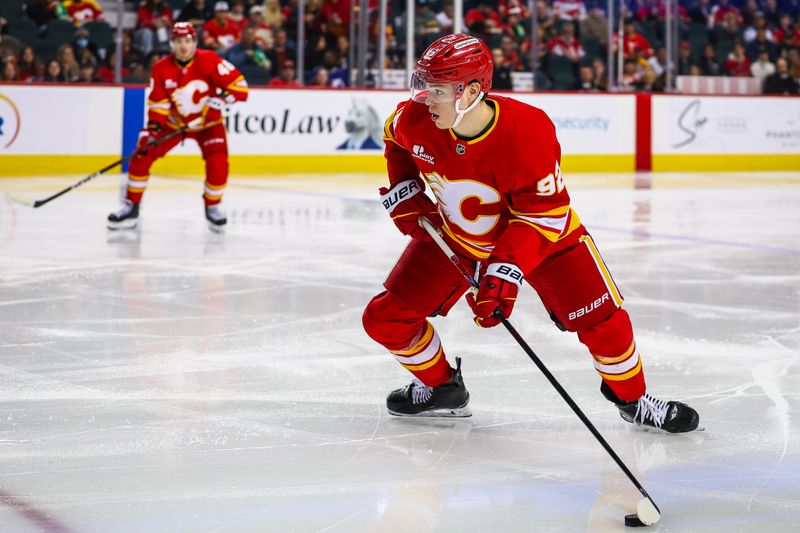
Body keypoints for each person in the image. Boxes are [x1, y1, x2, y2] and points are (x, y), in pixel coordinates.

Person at [362, 33, 700, 433]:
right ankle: (443, 390)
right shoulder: (415, 118)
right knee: (385, 318)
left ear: (471, 91)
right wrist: (405, 190)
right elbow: (394, 141)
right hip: (457, 237)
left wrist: (503, 273)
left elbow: (543, 215)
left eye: (435, 90)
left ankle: (634, 400)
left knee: (606, 325)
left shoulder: (528, 130)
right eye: (423, 86)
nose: (424, 99)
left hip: (545, 240)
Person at [106, 22, 249, 232]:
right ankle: (131, 206)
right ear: (172, 43)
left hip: (208, 125)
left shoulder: (210, 60)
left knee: (218, 162)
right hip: (173, 124)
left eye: (188, 41)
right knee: (142, 154)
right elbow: (158, 103)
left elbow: (241, 88)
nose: (183, 46)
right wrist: (153, 130)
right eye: (179, 41)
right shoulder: (161, 68)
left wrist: (220, 100)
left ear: (195, 42)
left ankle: (213, 206)